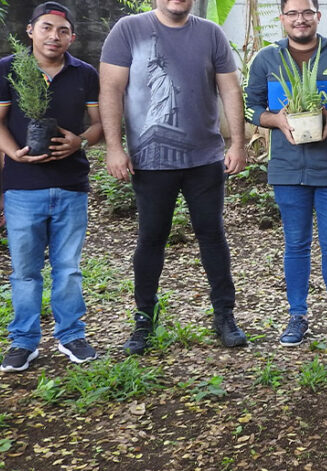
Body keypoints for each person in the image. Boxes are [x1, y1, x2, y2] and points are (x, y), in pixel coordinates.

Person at [100, 0, 249, 354]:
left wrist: (239, 142)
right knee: (151, 238)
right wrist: (113, 147)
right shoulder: (128, 30)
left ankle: (224, 316)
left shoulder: (211, 33)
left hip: (204, 159)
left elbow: (229, 88)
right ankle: (143, 320)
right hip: (150, 161)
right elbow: (110, 90)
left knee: (212, 235)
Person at [0, 2, 102, 372]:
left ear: (72, 37)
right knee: (24, 270)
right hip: (23, 187)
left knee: (68, 268)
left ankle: (71, 335)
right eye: (47, 28)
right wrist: (13, 156)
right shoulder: (7, 69)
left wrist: (79, 141)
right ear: (30, 31)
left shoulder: (84, 73)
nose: (54, 36)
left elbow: (100, 124)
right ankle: (23, 341)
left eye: (62, 31)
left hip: (71, 185)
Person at [246, 0, 327, 348]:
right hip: (287, 170)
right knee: (295, 245)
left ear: (318, 16)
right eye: (292, 13)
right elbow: (249, 105)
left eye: (307, 12)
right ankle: (297, 316)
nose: (300, 19)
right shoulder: (267, 58)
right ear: (282, 18)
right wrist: (276, 120)